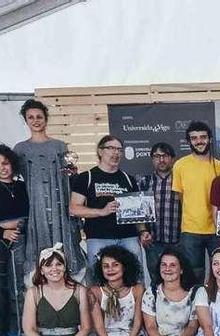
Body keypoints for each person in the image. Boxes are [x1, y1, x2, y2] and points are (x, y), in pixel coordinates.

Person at [13, 99, 87, 281]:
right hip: (34, 210)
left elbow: (68, 177)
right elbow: (16, 182)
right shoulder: (20, 149)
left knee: (65, 246)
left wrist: (72, 174)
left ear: (46, 119)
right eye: (31, 117)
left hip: (59, 207)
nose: (35, 120)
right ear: (26, 120)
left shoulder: (60, 146)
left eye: (39, 116)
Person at [70, 135, 146, 273]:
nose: (116, 153)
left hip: (128, 237)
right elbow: (74, 208)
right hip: (99, 237)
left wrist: (142, 230)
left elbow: (138, 212)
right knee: (98, 278)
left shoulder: (129, 179)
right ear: (100, 151)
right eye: (111, 148)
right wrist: (101, 211)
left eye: (119, 150)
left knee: (135, 275)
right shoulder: (86, 177)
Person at [172, 121, 220, 281]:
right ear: (189, 141)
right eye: (194, 138)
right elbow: (180, 197)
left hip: (218, 230)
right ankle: (197, 306)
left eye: (203, 137)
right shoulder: (180, 165)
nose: (199, 141)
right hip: (190, 230)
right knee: (194, 276)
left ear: (210, 139)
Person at [139, 143, 182, 285]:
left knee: (181, 279)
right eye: (157, 156)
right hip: (153, 241)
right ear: (152, 159)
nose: (161, 160)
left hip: (179, 240)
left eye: (165, 156)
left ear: (172, 159)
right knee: (156, 279)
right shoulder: (145, 182)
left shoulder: (181, 180)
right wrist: (143, 231)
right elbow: (138, 212)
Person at [0, 145, 28, 336]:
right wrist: (2, 231)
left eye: (6, 163)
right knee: (4, 292)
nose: (3, 168)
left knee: (23, 288)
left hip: (24, 242)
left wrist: (17, 224)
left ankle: (24, 332)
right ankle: (9, 335)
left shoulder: (22, 186)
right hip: (2, 245)